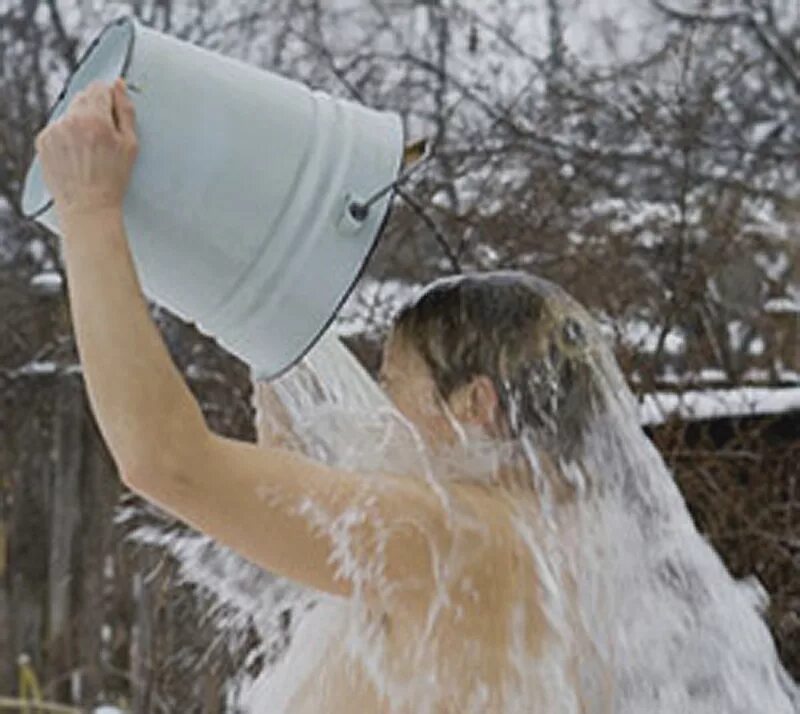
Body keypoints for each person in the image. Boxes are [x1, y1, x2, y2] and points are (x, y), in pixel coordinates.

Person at [35, 78, 612, 712]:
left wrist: (88, 210)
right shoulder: (544, 534)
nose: (379, 403)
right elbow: (304, 516)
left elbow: (167, 462)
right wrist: (262, 305)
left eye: (393, 382)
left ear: (475, 405)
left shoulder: (452, 532)